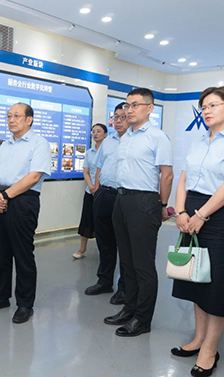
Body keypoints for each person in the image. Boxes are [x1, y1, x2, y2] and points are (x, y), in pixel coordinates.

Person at [171, 86, 224, 376]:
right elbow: (183, 178)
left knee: (217, 282)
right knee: (196, 276)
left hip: (219, 214)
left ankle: (210, 349)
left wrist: (201, 215)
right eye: (203, 107)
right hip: (192, 209)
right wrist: (181, 211)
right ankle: (198, 338)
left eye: (213, 105)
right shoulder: (198, 140)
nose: (206, 111)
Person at [103, 88, 173, 338]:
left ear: (149, 108)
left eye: (135, 105)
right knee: (127, 261)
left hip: (144, 202)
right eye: (127, 105)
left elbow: (167, 174)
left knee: (143, 264)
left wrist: (163, 205)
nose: (129, 110)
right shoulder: (126, 137)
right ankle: (129, 309)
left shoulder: (157, 137)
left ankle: (142, 319)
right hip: (121, 199)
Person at [0, 103, 51, 324]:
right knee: (1, 253)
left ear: (29, 119)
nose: (11, 120)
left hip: (23, 201)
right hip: (0, 198)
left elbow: (33, 177)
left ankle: (25, 304)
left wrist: (4, 196)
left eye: (17, 116)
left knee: (22, 254)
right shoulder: (6, 144)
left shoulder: (39, 143)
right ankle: (1, 297)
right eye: (9, 116)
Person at [84, 103, 129, 304]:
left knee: (125, 244)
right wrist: (96, 189)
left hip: (124, 196)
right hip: (104, 194)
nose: (118, 121)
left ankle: (125, 287)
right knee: (104, 241)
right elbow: (99, 167)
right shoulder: (108, 141)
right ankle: (104, 281)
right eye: (115, 117)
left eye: (123, 117)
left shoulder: (134, 140)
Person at [73, 123, 108, 259]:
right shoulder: (89, 153)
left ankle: (105, 249)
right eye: (93, 131)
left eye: (99, 131)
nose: (95, 134)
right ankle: (82, 249)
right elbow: (86, 172)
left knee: (103, 223)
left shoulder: (108, 152)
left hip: (104, 192)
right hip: (90, 191)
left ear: (105, 134)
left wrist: (98, 187)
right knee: (86, 220)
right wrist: (92, 186)